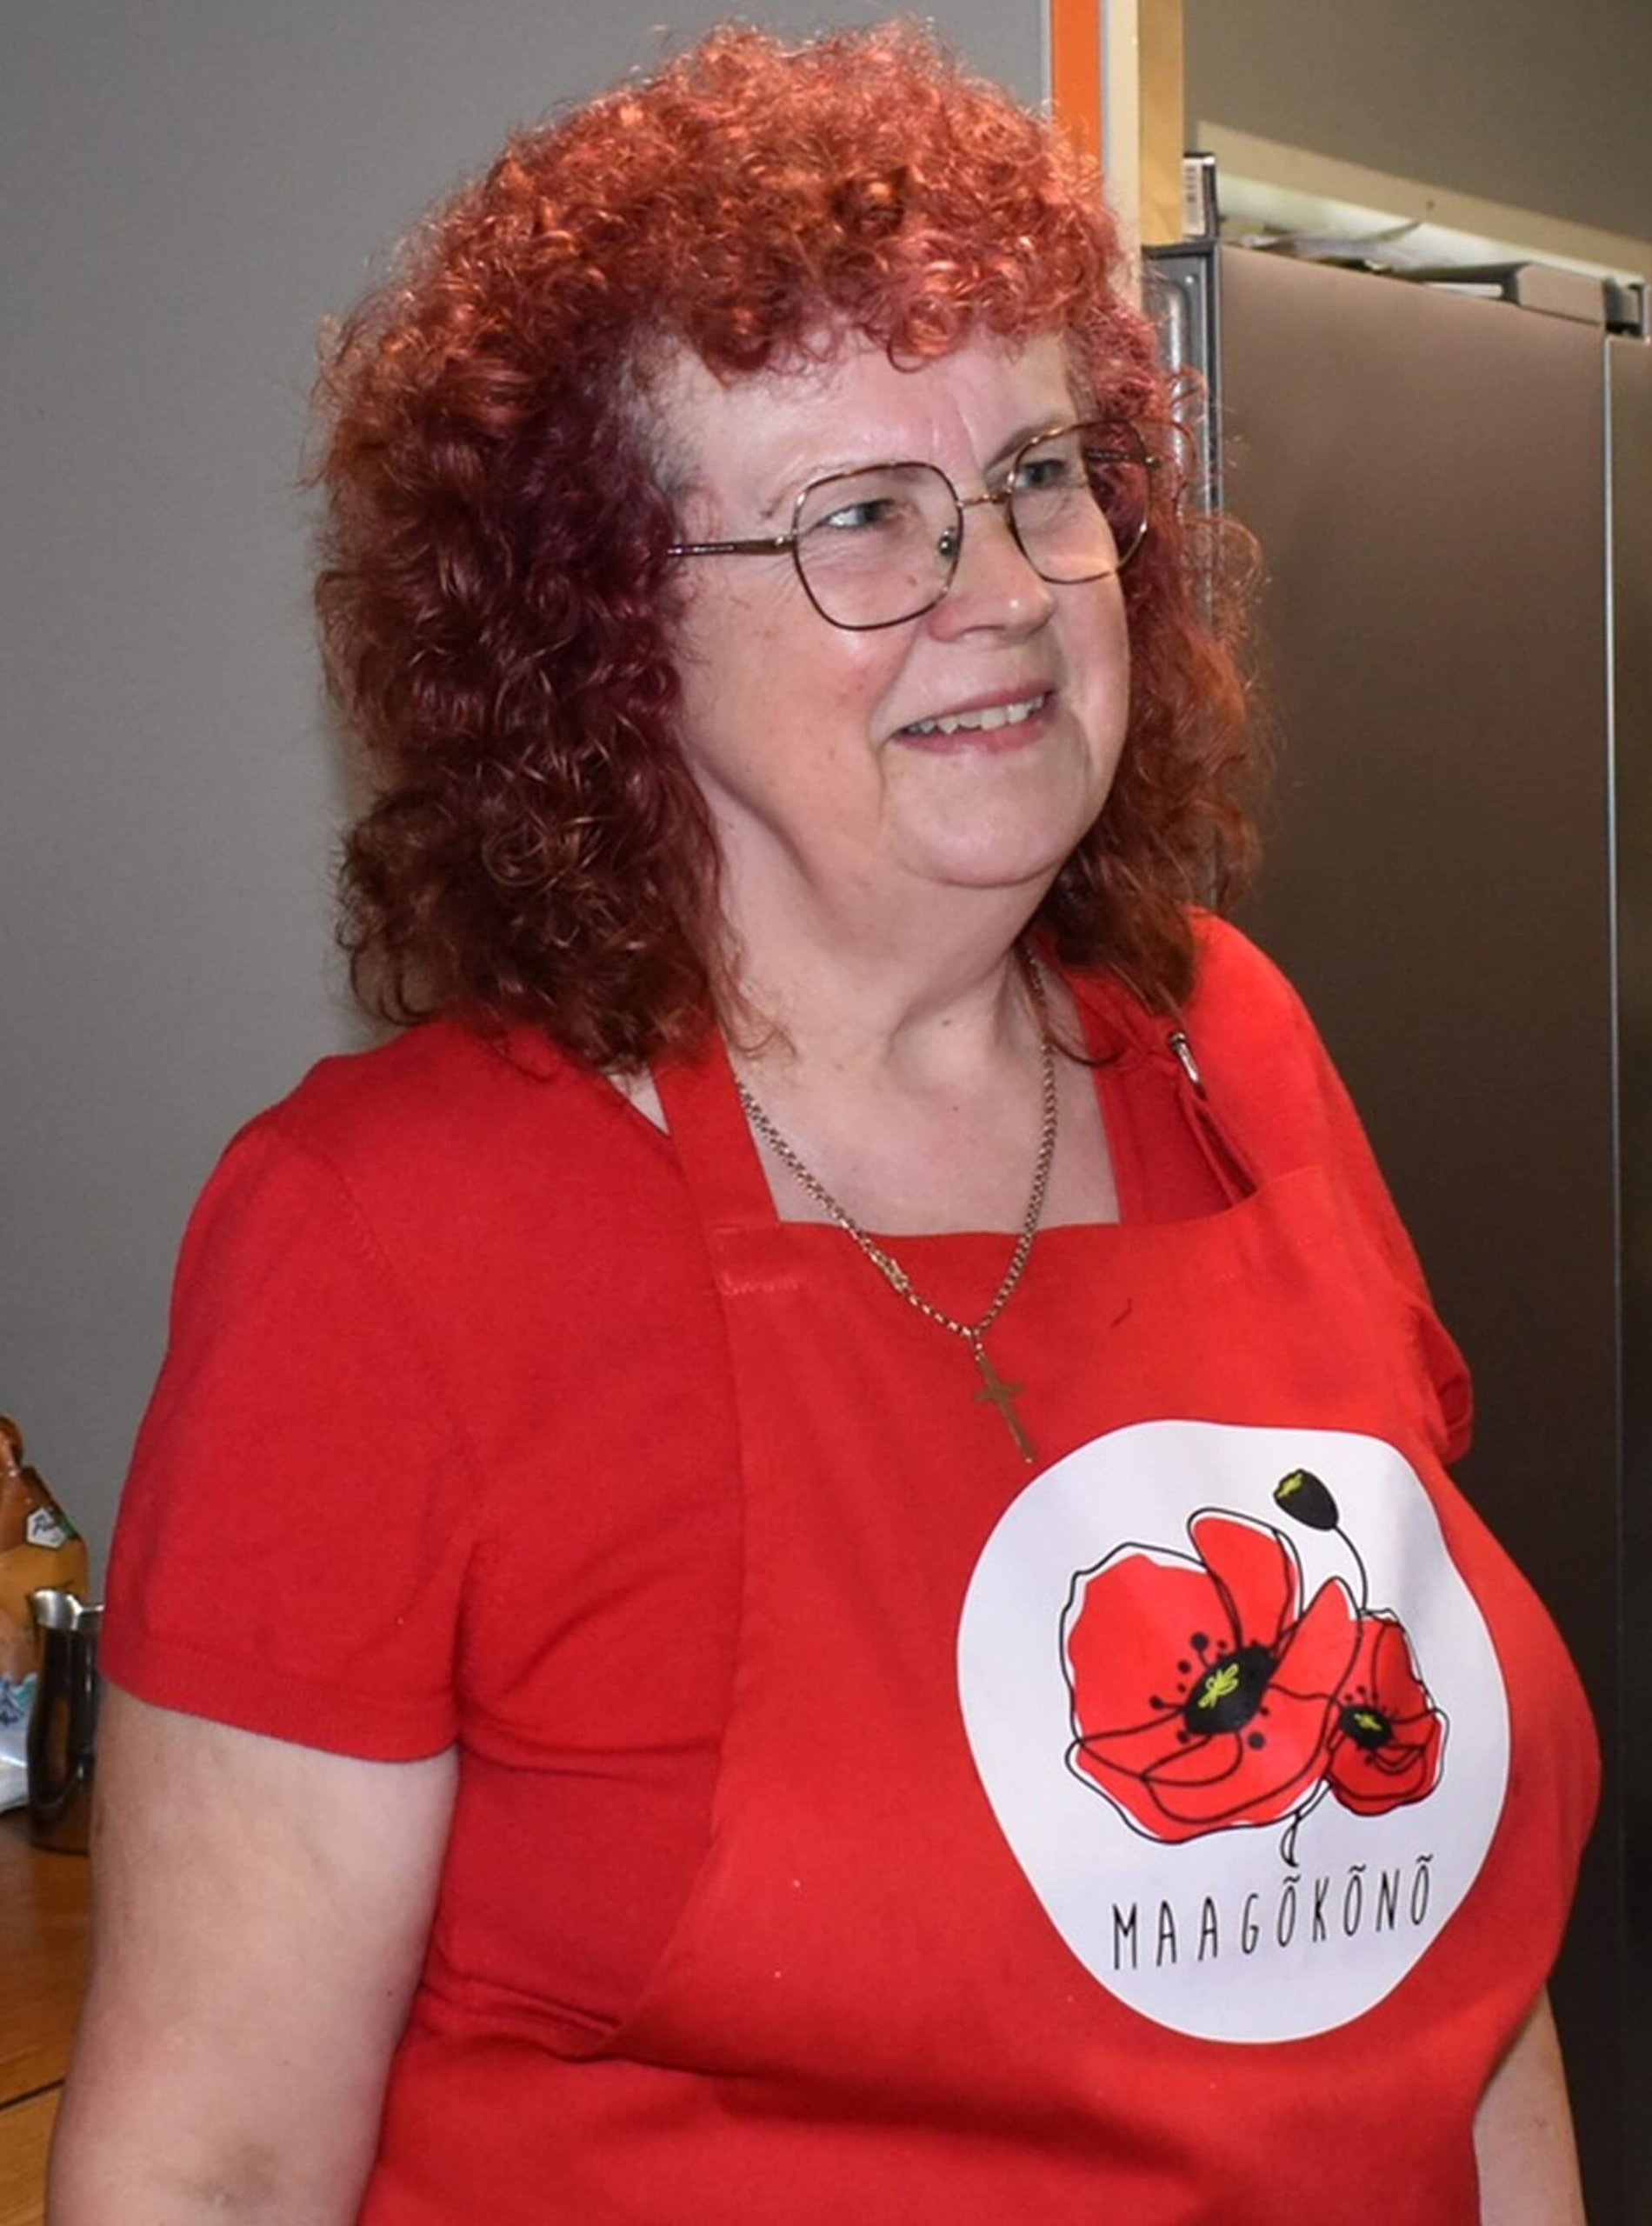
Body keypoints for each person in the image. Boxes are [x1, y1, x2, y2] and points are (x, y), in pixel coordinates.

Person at [52, 23, 1596, 2225]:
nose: (1007, 585)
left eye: (1040, 475)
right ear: (609, 633)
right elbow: (206, 2172)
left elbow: (1453, 1967)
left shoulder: (1231, 1054)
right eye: (862, 514)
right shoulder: (388, 1239)